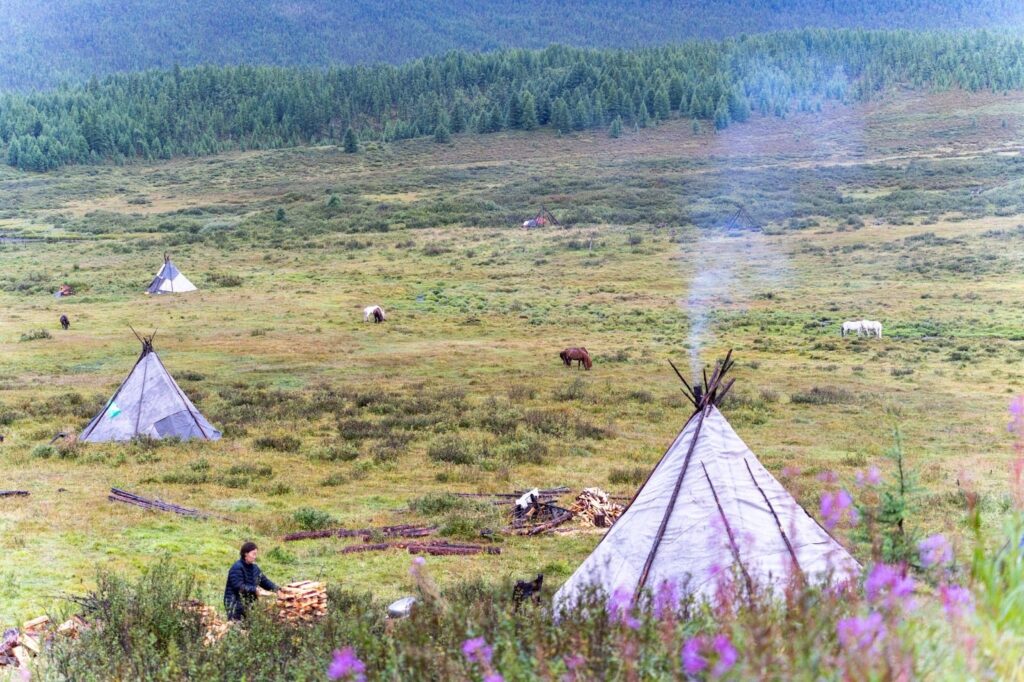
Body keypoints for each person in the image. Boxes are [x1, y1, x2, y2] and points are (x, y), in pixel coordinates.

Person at [224, 541, 279, 620]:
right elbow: (238, 586)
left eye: (256, 554)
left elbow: (265, 581)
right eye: (253, 554)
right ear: (246, 554)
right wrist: (254, 589)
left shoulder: (255, 568)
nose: (255, 557)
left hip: (249, 605)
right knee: (236, 628)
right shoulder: (237, 567)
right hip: (234, 604)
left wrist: (277, 589)